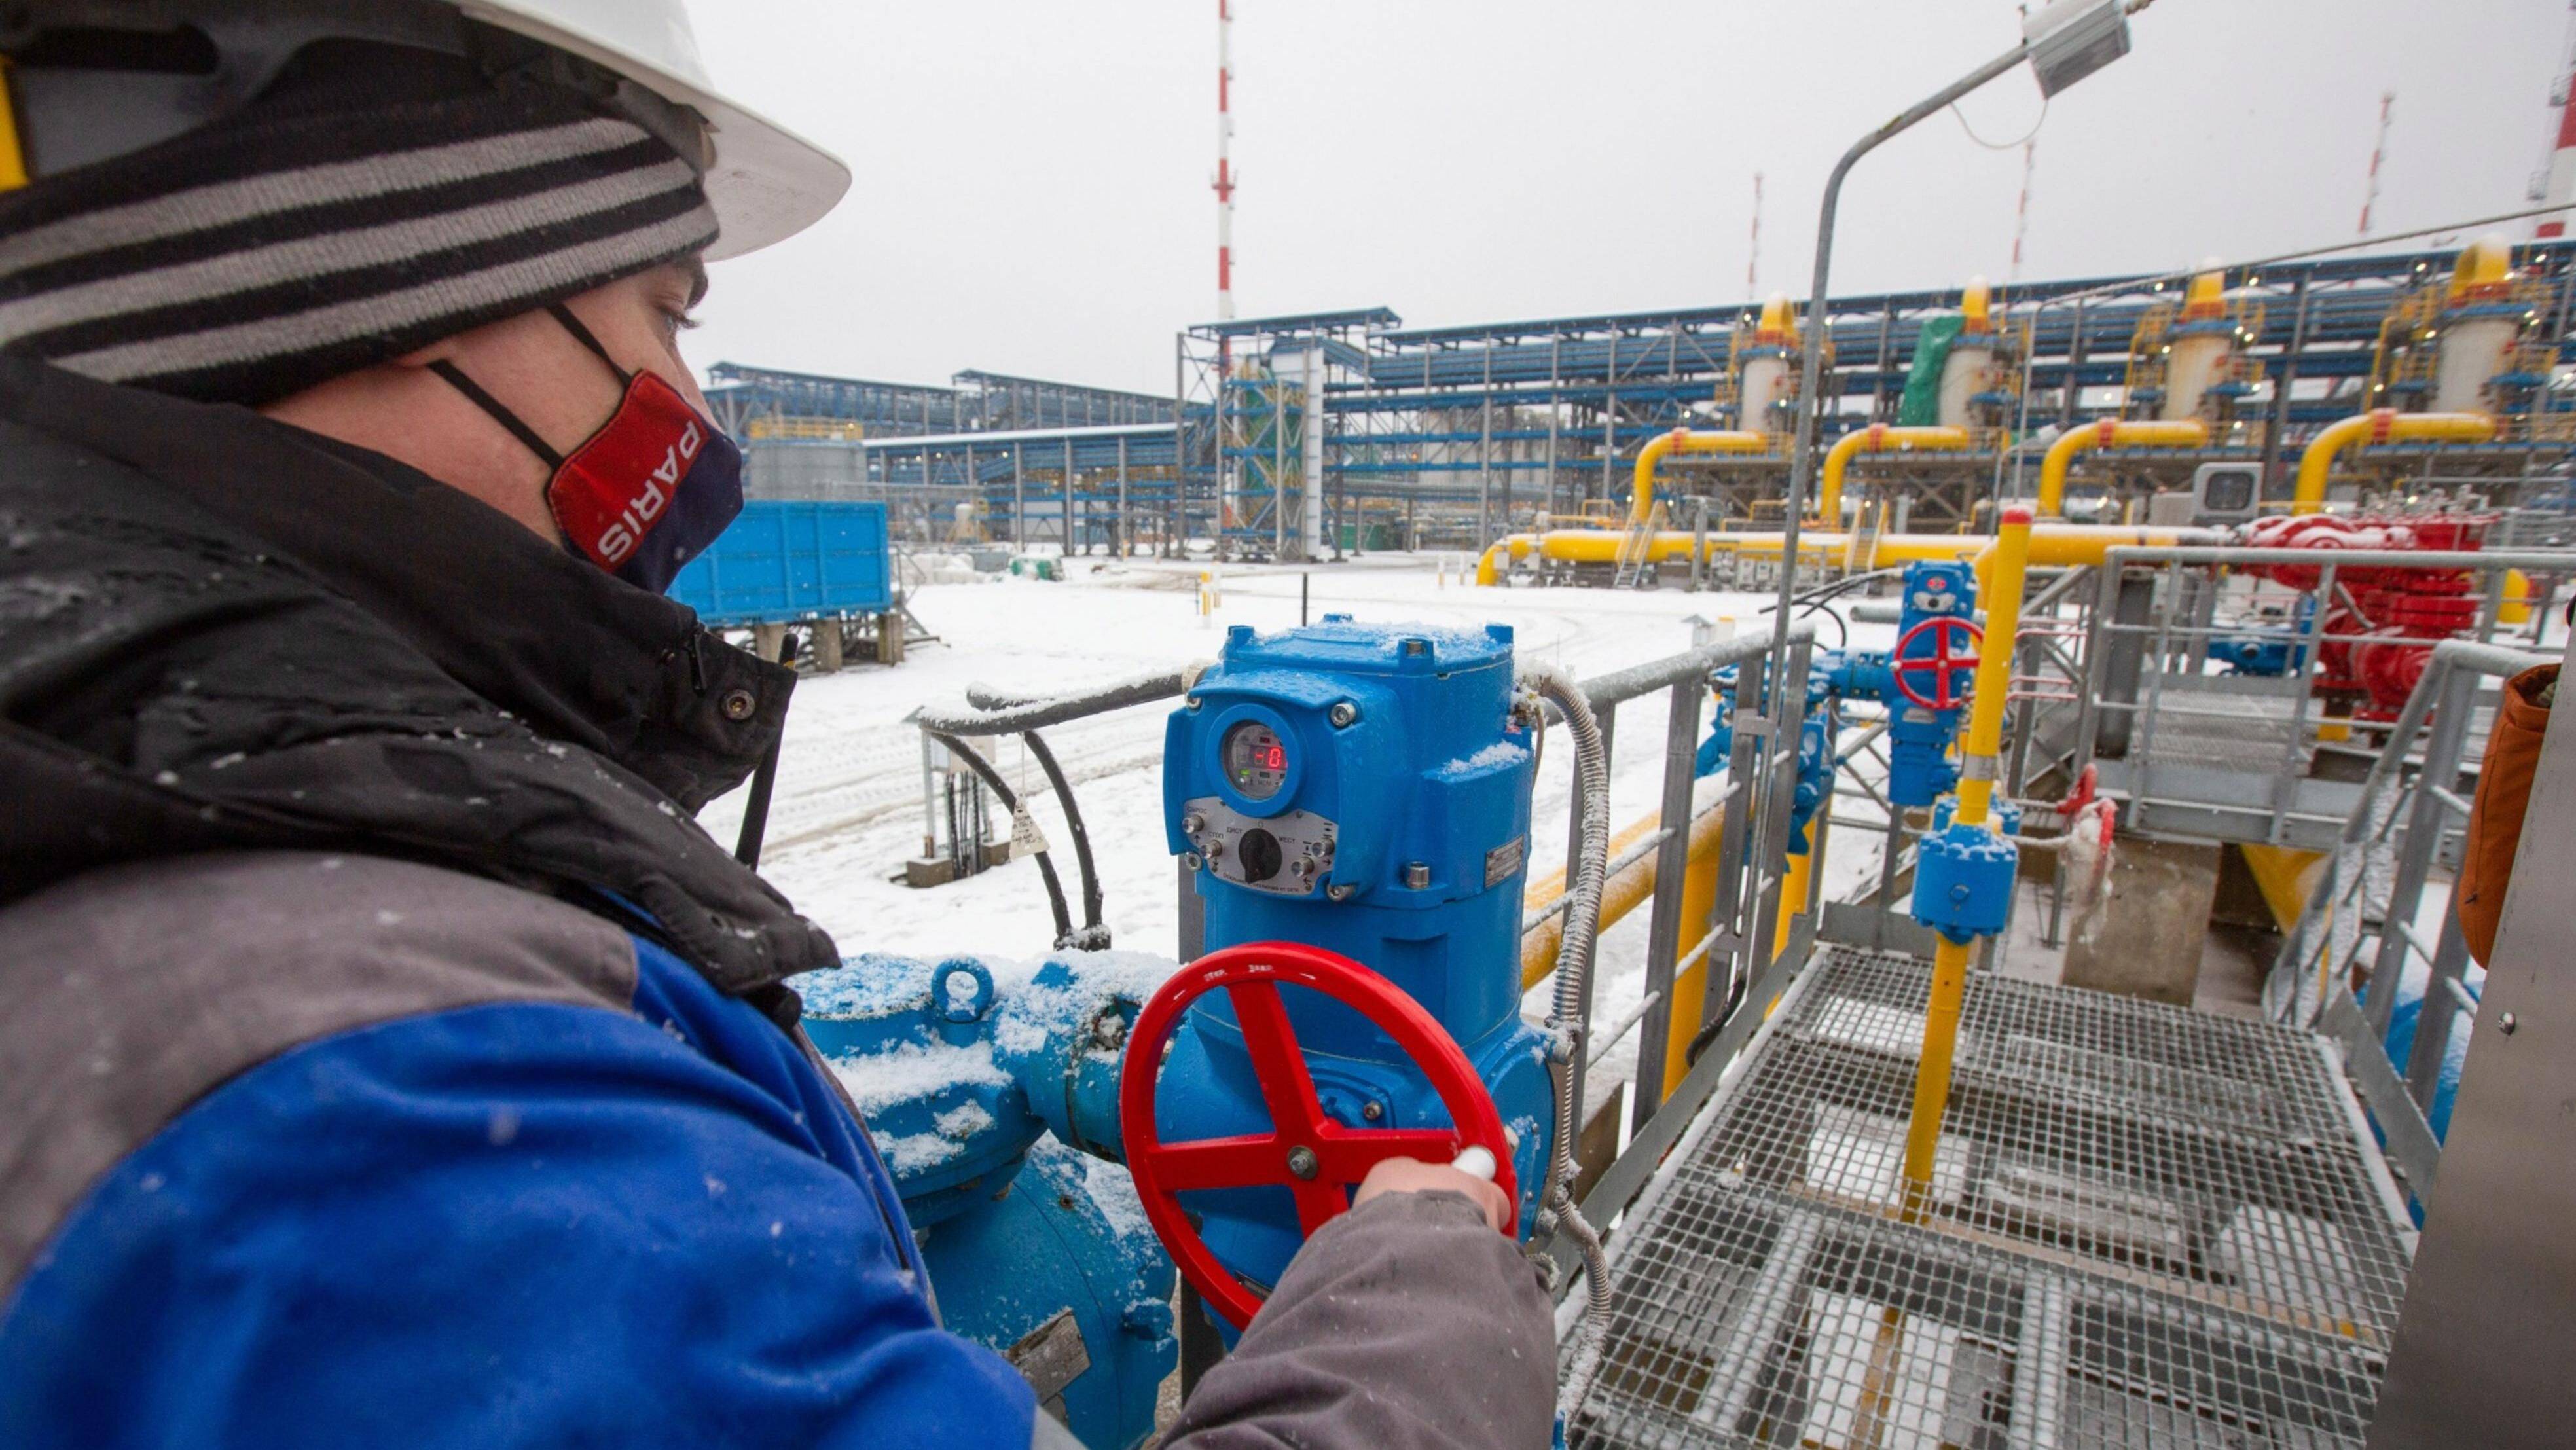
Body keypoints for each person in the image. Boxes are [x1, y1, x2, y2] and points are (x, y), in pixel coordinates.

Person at [0, 6, 1553, 1447]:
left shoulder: (230, 817)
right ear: (394, 280)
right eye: (666, 315)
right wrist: (1421, 1281)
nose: (694, 410)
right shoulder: (398, 1106)